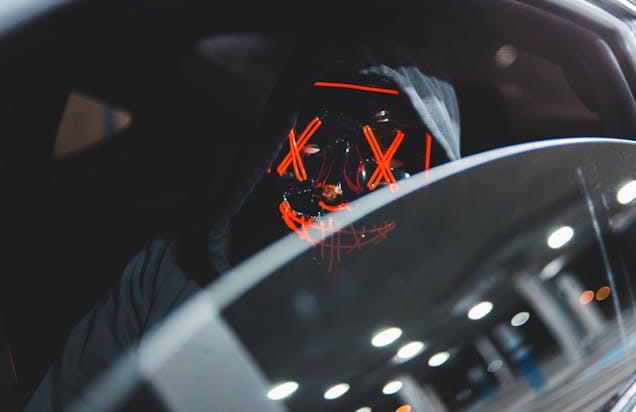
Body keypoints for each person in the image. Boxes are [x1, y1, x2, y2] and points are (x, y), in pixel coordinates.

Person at [24, 33, 461, 411]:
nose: (335, 182)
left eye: (383, 157)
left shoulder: (434, 324)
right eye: (322, 137)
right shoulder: (168, 273)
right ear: (282, 136)